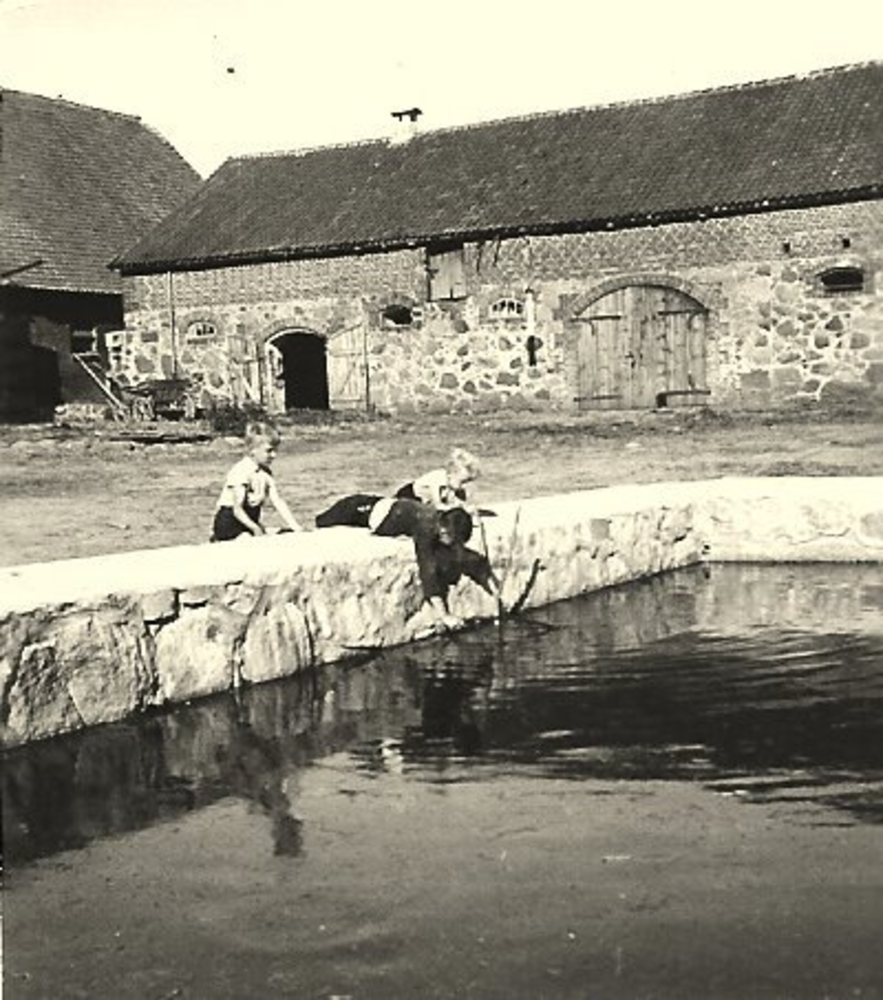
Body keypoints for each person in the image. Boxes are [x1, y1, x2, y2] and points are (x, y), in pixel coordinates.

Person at [315, 493, 500, 631]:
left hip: (393, 505)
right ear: (444, 532)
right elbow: (428, 572)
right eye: (455, 541)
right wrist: (445, 615)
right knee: (322, 521)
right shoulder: (426, 530)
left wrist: (494, 588)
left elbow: (468, 555)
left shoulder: (444, 520)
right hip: (367, 511)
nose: (456, 546)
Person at [210, 421, 305, 542]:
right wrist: (255, 529)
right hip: (230, 522)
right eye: (269, 451)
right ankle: (219, 538)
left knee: (285, 533)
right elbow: (237, 509)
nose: (273, 455)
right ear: (253, 450)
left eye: (275, 450)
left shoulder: (266, 473)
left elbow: (278, 501)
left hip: (250, 519)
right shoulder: (241, 471)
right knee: (250, 541)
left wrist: (295, 525)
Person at [396, 447, 480, 512]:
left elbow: (460, 504)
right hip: (410, 495)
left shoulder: (454, 484)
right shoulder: (437, 480)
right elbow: (438, 506)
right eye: (462, 482)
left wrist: (466, 508)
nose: (464, 486)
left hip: (423, 500)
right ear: (451, 474)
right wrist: (453, 508)